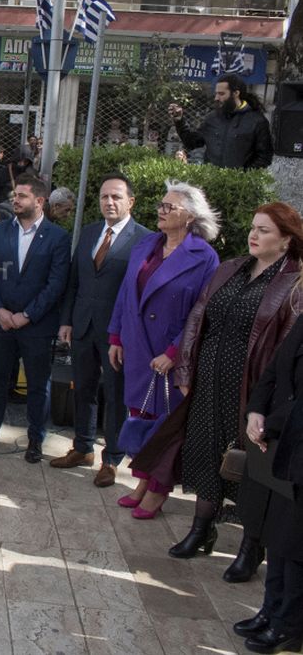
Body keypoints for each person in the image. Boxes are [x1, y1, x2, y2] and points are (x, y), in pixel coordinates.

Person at [131, 204, 302, 574]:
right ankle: (200, 530)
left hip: (251, 389)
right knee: (205, 453)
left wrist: (271, 401)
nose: (254, 235)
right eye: (253, 228)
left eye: (265, 231)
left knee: (249, 468)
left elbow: (287, 348)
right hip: (208, 380)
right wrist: (187, 367)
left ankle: (250, 546)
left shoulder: (293, 283)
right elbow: (197, 318)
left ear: (287, 241)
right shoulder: (231, 267)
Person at [107, 180, 220, 518]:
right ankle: (142, 481)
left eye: (169, 207)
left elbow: (201, 313)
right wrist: (116, 335)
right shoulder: (146, 245)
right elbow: (126, 294)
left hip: (167, 355)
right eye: (161, 204)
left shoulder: (204, 256)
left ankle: (158, 490)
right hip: (138, 348)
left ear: (190, 216)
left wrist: (174, 353)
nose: (161, 210)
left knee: (165, 425)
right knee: (140, 417)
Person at [53, 175, 151, 485]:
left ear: (130, 202)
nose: (109, 202)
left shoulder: (144, 240)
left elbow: (140, 292)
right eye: (104, 196)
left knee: (115, 393)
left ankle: (111, 458)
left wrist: (124, 333)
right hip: (82, 325)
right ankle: (82, 448)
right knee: (82, 388)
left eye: (116, 197)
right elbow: (74, 281)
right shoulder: (89, 232)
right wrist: (67, 320)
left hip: (117, 334)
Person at [0, 174, 71, 463]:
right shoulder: (0, 231)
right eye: (15, 195)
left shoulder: (58, 238)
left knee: (39, 384)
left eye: (22, 196)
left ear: (39, 201)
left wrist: (27, 315)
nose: (16, 200)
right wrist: (0, 310)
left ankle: (36, 439)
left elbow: (56, 284)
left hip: (36, 327)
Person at [232, 315, 303, 654]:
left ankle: (290, 625)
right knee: (276, 533)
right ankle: (271, 611)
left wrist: (269, 426)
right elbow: (274, 370)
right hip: (281, 445)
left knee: (295, 541)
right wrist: (255, 412)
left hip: (295, 442)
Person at [170, 74, 273, 169]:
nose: (216, 98)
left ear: (236, 93)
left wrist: (242, 176)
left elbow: (264, 157)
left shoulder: (257, 121)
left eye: (221, 94)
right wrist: (179, 121)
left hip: (239, 186)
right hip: (211, 181)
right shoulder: (212, 118)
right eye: (216, 94)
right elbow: (192, 142)